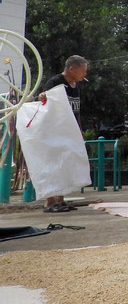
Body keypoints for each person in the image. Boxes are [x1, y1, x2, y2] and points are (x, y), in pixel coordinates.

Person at [38, 55, 88, 213]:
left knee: (66, 164)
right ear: (71, 69)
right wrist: (42, 97)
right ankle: (50, 201)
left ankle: (60, 200)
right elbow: (44, 100)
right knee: (54, 164)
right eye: (82, 71)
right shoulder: (56, 82)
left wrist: (79, 130)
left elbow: (76, 111)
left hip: (70, 130)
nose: (84, 75)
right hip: (54, 129)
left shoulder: (76, 86)